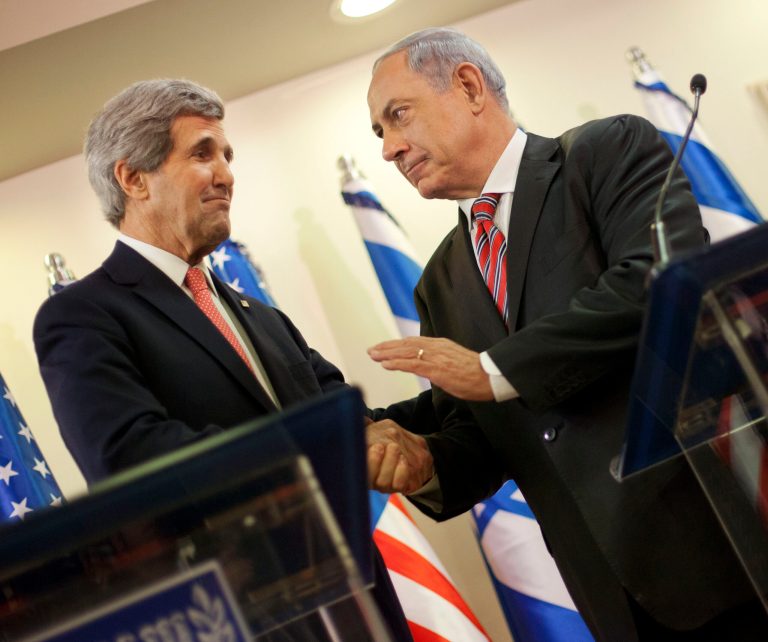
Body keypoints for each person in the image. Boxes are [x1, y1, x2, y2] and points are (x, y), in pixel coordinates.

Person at [364, 28, 767, 640]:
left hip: (723, 552)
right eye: (380, 134)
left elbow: (652, 281)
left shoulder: (605, 151)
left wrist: (494, 369)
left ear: (469, 86)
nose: (390, 149)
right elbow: (477, 430)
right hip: (610, 597)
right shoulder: (438, 283)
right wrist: (421, 462)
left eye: (398, 116)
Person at [33, 78, 412, 641]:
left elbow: (336, 411)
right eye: (202, 153)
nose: (227, 174)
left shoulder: (260, 316)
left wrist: (408, 431)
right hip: (240, 615)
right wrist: (311, 457)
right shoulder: (83, 315)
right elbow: (131, 459)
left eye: (228, 155)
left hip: (359, 604)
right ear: (133, 178)